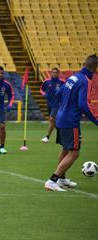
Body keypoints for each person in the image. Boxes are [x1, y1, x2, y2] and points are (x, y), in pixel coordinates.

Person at [44, 54, 98, 191]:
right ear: (95, 69)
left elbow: (58, 94)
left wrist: (63, 107)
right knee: (74, 153)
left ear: (84, 64)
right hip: (70, 120)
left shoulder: (73, 77)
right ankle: (52, 180)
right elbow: (83, 105)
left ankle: (61, 179)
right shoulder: (85, 81)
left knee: (66, 149)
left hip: (61, 117)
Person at [40, 68, 65, 143]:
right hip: (49, 103)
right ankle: (62, 134)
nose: (54, 73)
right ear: (51, 73)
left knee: (51, 119)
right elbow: (41, 89)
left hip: (57, 104)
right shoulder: (47, 82)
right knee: (54, 121)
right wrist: (44, 94)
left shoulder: (61, 82)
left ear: (58, 73)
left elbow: (65, 91)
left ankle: (47, 137)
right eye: (53, 72)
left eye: (56, 72)